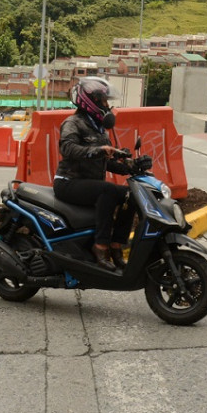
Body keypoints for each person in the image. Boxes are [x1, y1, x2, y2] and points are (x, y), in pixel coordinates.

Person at [52, 77, 133, 272]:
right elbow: (67, 148)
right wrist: (97, 150)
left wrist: (131, 165)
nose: (107, 106)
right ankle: (100, 247)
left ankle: (116, 247)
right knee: (109, 191)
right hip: (69, 182)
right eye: (103, 101)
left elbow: (106, 160)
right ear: (90, 102)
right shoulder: (72, 123)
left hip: (89, 184)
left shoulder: (99, 130)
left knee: (132, 196)